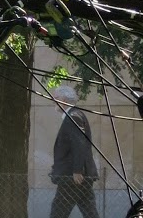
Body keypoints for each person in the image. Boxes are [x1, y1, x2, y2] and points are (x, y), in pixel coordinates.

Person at [50, 85, 99, 218]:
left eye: (56, 98)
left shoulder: (73, 116)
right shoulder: (74, 115)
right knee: (90, 213)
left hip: (72, 178)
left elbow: (79, 144)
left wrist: (77, 170)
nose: (53, 100)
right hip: (79, 177)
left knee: (58, 213)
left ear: (65, 99)